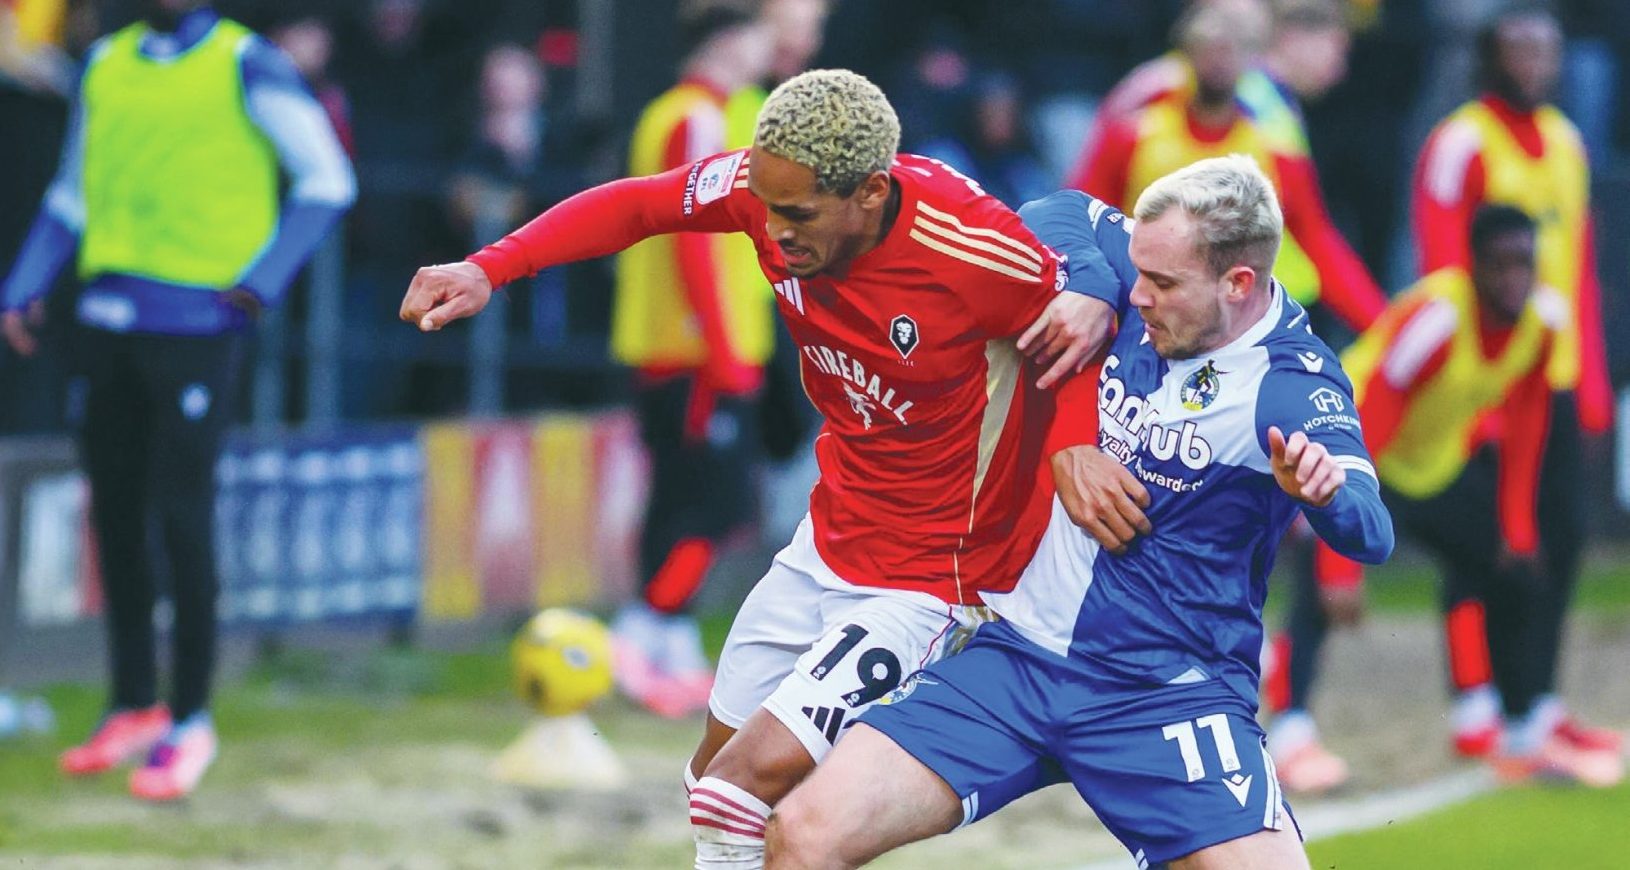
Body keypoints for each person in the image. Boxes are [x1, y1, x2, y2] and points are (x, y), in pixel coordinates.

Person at [399, 69, 1120, 869]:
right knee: (712, 789)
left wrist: (1074, 446)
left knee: (735, 791)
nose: (772, 234)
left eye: (797, 216)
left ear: (870, 193)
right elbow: (638, 206)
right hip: (830, 540)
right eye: (765, 208)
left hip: (936, 580)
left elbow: (1076, 328)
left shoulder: (969, 247)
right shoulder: (768, 186)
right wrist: (489, 268)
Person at [764, 156, 1394, 870]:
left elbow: (1371, 531)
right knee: (801, 835)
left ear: (1238, 285)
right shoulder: (1144, 268)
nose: (1141, 295)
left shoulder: (1291, 383)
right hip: (1017, 659)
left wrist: (1325, 494)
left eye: (1162, 285)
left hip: (1164, 694)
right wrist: (1092, 284)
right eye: (1138, 273)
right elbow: (1053, 209)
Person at [0, 0, 354, 800]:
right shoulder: (107, 63)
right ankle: (132, 703)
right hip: (106, 314)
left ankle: (190, 718)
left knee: (182, 517)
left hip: (197, 323)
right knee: (115, 514)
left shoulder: (246, 63)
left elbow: (327, 180)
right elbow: (72, 193)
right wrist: (25, 282)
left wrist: (261, 282)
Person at [1295, 206, 1623, 787]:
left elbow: (1525, 426)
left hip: (1430, 464)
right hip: (1347, 447)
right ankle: (1291, 731)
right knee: (1318, 587)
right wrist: (1338, 562)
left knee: (1510, 564)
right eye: (1500, 265)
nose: (1514, 278)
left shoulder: (1543, 322)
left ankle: (1505, 721)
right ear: (1473, 268)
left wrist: (1516, 526)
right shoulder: (1439, 324)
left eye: (1524, 263)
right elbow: (1370, 424)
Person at [1412, 2, 1615, 760]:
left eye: (1546, 49)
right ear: (1492, 58)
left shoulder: (1566, 142)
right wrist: (1464, 388)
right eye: (1520, 48)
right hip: (1481, 378)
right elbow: (1438, 261)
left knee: (1558, 542)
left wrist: (1591, 382)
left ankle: (1537, 702)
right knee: (1477, 542)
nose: (1534, 62)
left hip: (1551, 374)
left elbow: (1580, 268)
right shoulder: (1460, 142)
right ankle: (1475, 700)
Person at [606, 5, 775, 720]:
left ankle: (666, 639)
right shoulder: (696, 119)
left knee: (677, 499)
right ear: (726, 42)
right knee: (718, 502)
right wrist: (722, 347)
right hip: (695, 349)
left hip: (677, 345)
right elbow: (693, 237)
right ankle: (643, 626)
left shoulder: (681, 113)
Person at [1071, 0, 1386, 336]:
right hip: (1146, 318)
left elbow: (1318, 239)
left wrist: (1385, 328)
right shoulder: (1139, 127)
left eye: (1231, 49)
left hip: (1251, 322)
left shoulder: (1273, 146)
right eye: (1209, 47)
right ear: (1187, 51)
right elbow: (1083, 215)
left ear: (1252, 59)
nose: (1219, 62)